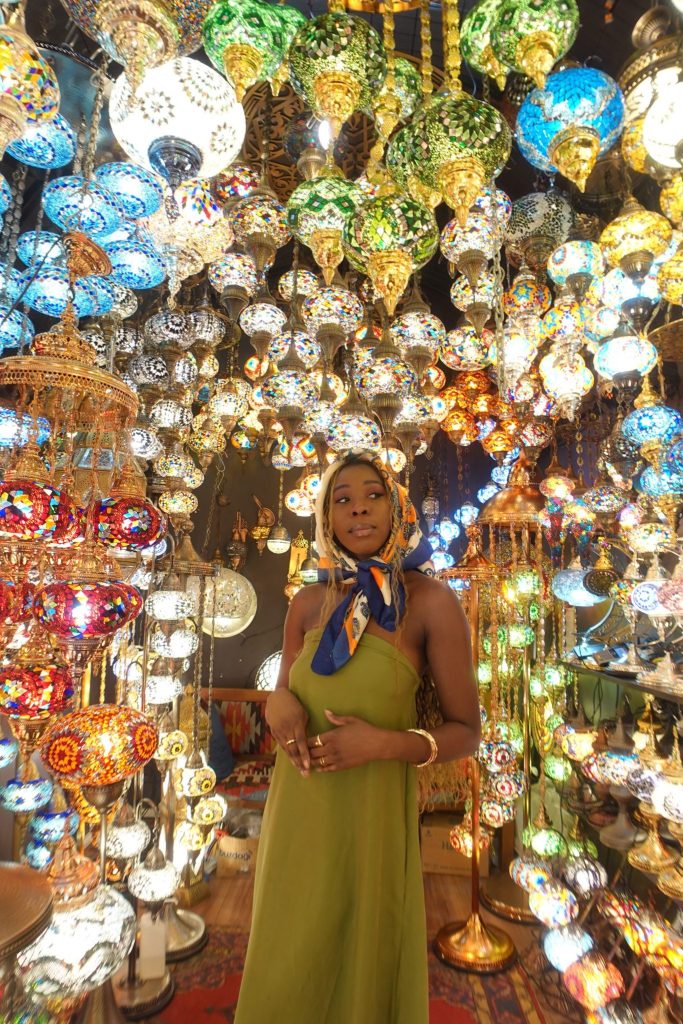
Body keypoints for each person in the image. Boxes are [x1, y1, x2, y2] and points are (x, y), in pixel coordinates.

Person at [234, 449, 481, 1024]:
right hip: (298, 806)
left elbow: (467, 731)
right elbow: (287, 686)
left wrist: (387, 744)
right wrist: (277, 702)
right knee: (289, 955)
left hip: (371, 814)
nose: (358, 509)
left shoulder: (429, 602)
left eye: (372, 494)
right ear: (326, 519)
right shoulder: (307, 602)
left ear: (397, 509)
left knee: (360, 964)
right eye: (341, 500)